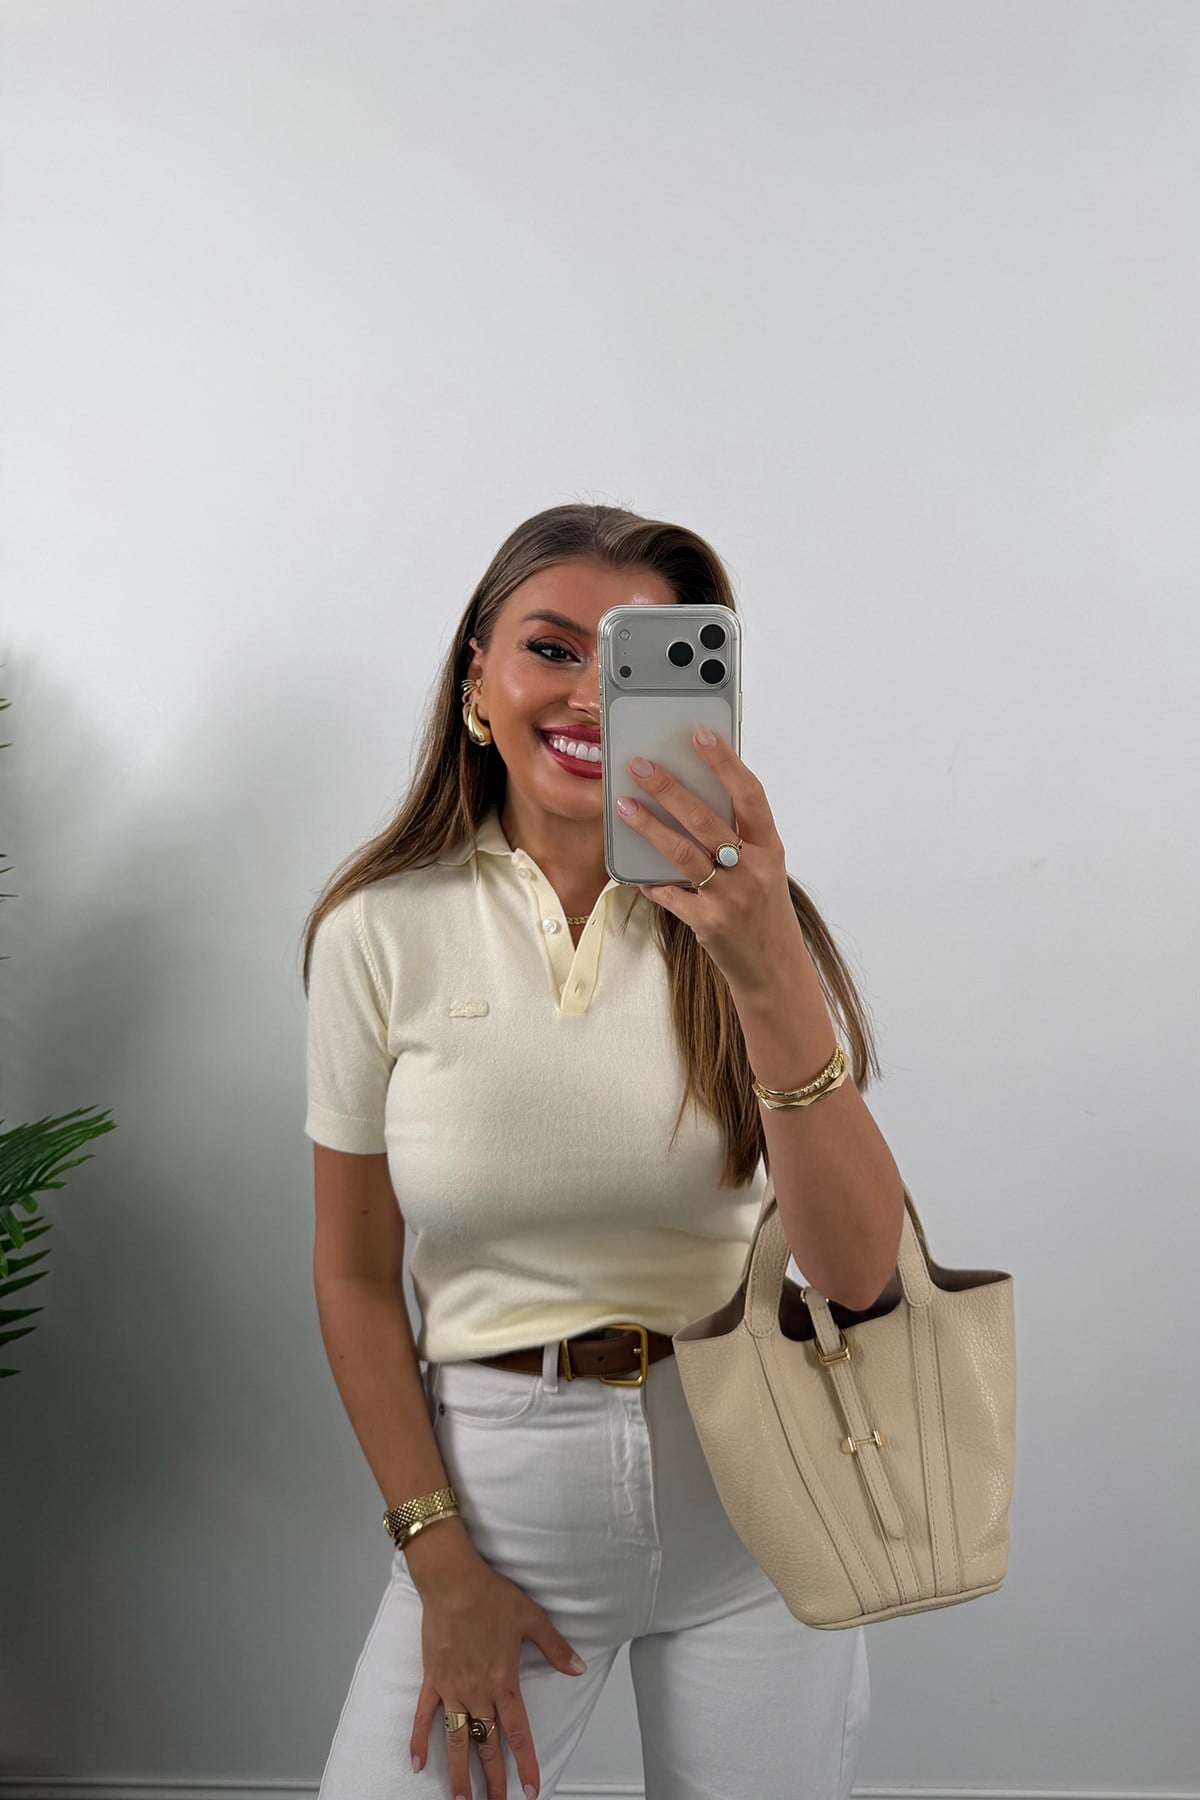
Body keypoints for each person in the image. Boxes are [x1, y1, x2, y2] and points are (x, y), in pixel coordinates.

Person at [300, 503, 904, 1800]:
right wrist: (438, 1561)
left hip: (759, 1511)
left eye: (637, 660)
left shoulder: (757, 922)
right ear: (477, 679)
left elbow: (861, 1276)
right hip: (496, 1513)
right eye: (553, 648)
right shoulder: (377, 932)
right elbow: (351, 1274)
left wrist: (764, 960)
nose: (590, 695)